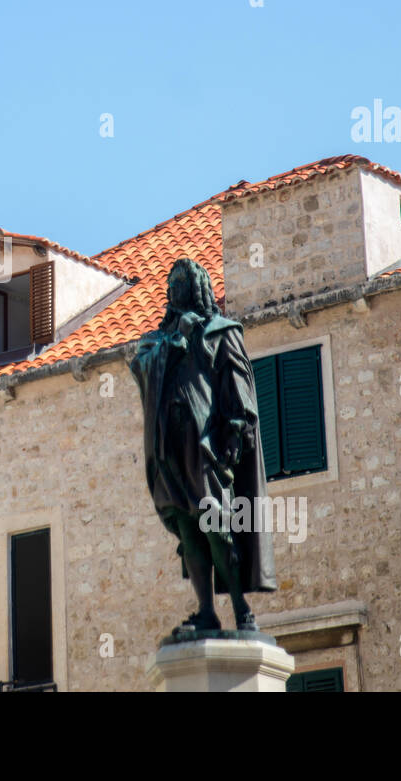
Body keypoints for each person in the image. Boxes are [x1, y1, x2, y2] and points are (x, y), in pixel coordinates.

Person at [128, 257, 277, 635]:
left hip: (205, 446)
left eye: (180, 283)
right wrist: (174, 342)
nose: (172, 290)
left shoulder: (221, 331)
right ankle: (206, 611)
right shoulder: (157, 341)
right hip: (168, 446)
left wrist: (235, 434)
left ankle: (241, 608)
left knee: (216, 525)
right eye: (170, 284)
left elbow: (238, 385)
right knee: (187, 526)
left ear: (197, 288)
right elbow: (139, 366)